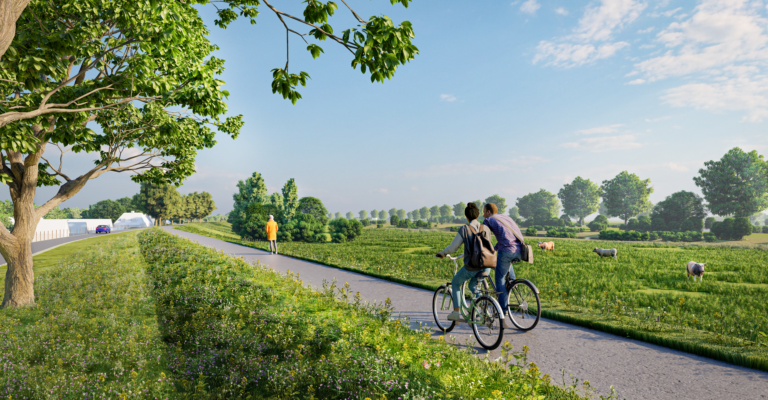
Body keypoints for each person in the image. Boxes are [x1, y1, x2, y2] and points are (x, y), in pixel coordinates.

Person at [435, 203, 492, 322]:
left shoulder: (465, 229)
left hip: (473, 266)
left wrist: (443, 253)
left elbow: (453, 248)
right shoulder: (485, 228)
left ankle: (456, 313)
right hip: (487, 266)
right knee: (473, 286)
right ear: (478, 215)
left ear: (466, 216)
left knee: (456, 282)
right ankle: (483, 310)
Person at [482, 203, 524, 329]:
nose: (483, 214)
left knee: (499, 279)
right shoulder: (506, 218)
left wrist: (485, 249)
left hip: (506, 251)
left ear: (488, 212)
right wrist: (495, 249)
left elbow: (484, 237)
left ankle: (502, 311)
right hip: (519, 250)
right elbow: (508, 235)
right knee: (509, 279)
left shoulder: (488, 220)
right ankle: (514, 288)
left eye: (484, 211)